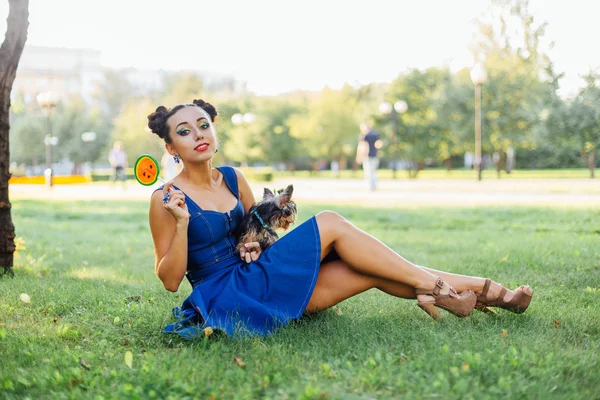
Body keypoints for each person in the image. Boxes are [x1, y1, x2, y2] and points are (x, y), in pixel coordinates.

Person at [146, 99, 533, 339]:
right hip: (226, 298)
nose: (198, 134)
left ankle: (492, 292)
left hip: (259, 276)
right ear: (170, 147)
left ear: (214, 130)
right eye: (184, 131)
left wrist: (252, 244)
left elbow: (256, 231)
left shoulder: (232, 178)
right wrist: (181, 222)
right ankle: (440, 290)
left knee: (370, 267)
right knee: (329, 221)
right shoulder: (165, 199)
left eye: (204, 125)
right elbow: (169, 280)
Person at [356, 123, 382, 191]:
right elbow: (379, 144)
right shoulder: (376, 134)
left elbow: (363, 146)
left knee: (369, 172)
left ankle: (372, 187)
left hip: (368, 156)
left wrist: (360, 156)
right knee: (373, 171)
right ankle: (375, 185)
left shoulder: (365, 136)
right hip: (375, 155)